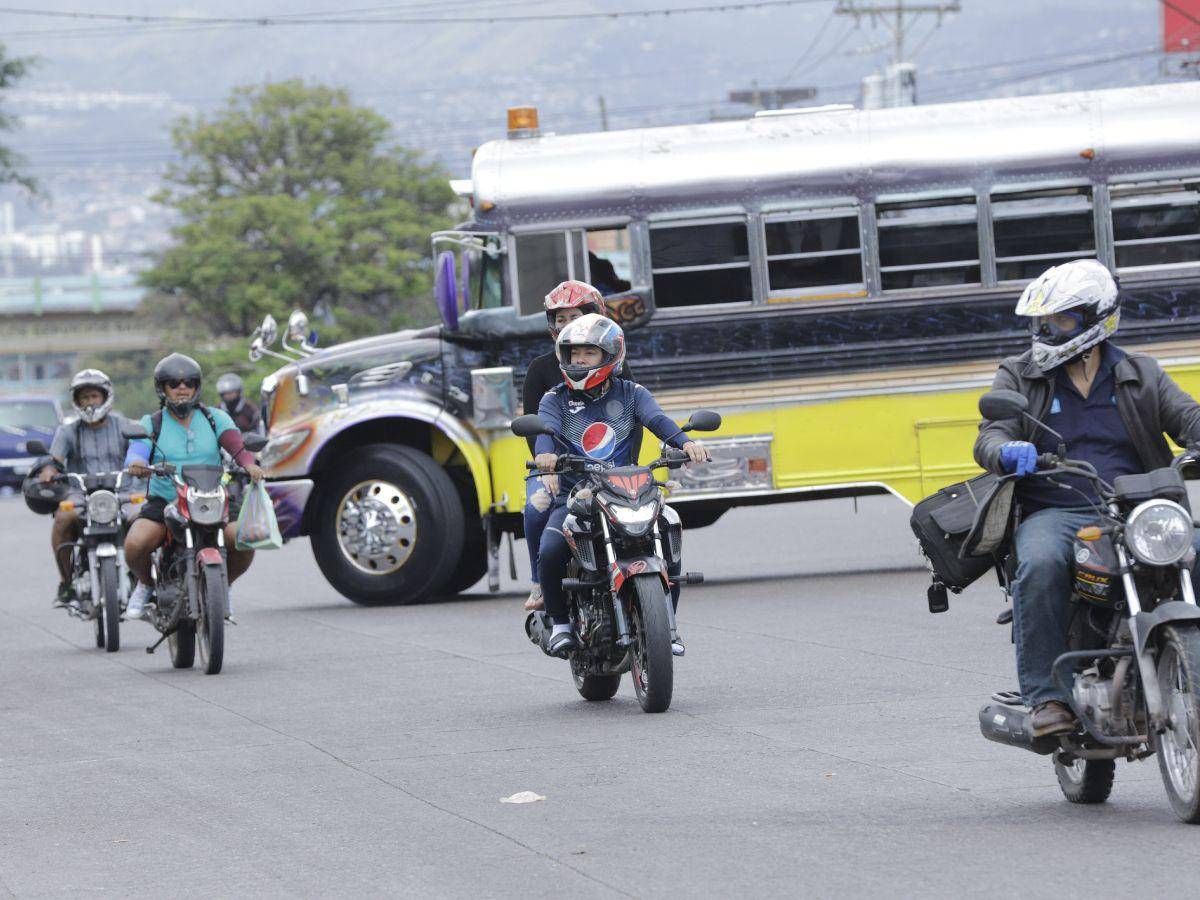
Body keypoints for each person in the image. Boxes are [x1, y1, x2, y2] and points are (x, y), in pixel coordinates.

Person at [975, 259, 1200, 737]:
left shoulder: (1140, 372)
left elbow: (1188, 418)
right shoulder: (1019, 374)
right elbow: (990, 435)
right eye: (1043, 321)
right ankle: (1047, 697)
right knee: (1039, 565)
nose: (1047, 330)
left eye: (1061, 320)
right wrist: (1005, 450)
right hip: (1056, 510)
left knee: (1195, 552)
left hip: (1137, 508)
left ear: (1097, 320)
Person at [533, 313, 709, 657]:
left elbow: (658, 420)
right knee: (551, 549)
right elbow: (545, 431)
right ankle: (561, 624)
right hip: (577, 496)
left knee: (668, 527)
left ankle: (666, 624)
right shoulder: (554, 399)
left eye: (589, 353)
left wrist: (686, 443)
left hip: (628, 492)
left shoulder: (632, 393)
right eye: (574, 353)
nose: (580, 360)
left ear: (611, 355)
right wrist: (545, 455)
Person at [522, 280, 635, 612]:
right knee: (537, 508)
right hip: (559, 467)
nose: (566, 324)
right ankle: (539, 583)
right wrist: (547, 467)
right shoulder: (540, 369)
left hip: (608, 466)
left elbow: (635, 419)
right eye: (560, 319)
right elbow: (535, 427)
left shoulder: (617, 366)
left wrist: (629, 466)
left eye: (574, 316)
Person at [123, 354, 264, 620]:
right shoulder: (152, 423)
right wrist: (137, 463)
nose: (182, 388)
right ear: (162, 389)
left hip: (212, 497)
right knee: (135, 543)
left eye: (189, 382)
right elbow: (137, 450)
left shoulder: (215, 418)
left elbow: (238, 447)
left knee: (244, 538)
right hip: (166, 500)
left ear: (197, 387)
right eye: (174, 383)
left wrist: (249, 464)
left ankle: (224, 586)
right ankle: (145, 584)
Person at [39, 369, 132, 607]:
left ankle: (144, 578)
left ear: (105, 397)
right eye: (84, 397)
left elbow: (142, 453)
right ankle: (66, 582)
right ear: (77, 401)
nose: (90, 402)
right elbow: (54, 460)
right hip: (80, 494)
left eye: (94, 396)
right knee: (63, 517)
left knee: (143, 518)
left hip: (122, 493)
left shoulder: (125, 426)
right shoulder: (68, 430)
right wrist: (49, 471)